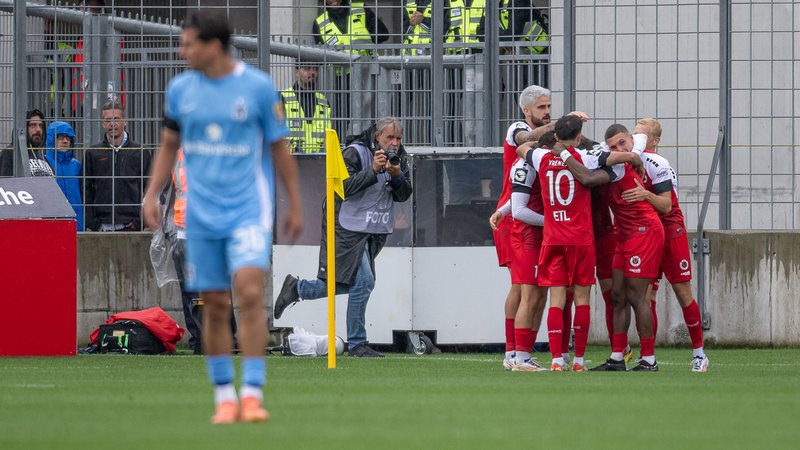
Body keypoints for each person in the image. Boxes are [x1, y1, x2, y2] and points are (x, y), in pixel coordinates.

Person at [141, 10, 303, 424]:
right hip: (201, 215)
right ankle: (223, 395)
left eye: (188, 43)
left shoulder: (258, 88)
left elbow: (279, 149)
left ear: (212, 47)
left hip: (249, 210)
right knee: (213, 304)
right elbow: (167, 145)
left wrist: (296, 204)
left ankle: (251, 391)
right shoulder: (180, 90)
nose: (182, 51)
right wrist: (151, 194)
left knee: (248, 293)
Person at [273, 117, 413, 358]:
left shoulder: (399, 157)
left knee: (349, 283)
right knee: (365, 281)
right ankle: (357, 344)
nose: (394, 143)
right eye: (390, 137)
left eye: (398, 138)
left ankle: (298, 288)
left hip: (372, 229)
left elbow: (404, 195)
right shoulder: (354, 153)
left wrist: (398, 175)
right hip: (345, 226)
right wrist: (373, 171)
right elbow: (343, 188)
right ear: (377, 136)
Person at [541, 125, 661, 371]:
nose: (618, 149)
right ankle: (618, 357)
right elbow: (598, 148)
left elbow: (586, 178)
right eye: (612, 146)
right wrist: (570, 131)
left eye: (622, 144)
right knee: (617, 296)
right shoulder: (603, 156)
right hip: (623, 235)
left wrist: (562, 151)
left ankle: (648, 359)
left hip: (644, 231)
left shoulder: (615, 168)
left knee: (637, 297)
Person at [623, 118, 709, 372]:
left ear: (655, 141)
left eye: (642, 136)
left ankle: (699, 354)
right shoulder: (628, 160)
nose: (636, 140)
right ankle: (647, 356)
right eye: (634, 135)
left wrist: (645, 195)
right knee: (644, 294)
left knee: (683, 293)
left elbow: (666, 206)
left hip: (670, 231)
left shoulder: (657, 163)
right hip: (646, 233)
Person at [313, 0, 388, 136]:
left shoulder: (361, 9)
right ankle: (340, 148)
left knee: (371, 115)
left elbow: (383, 34)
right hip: (342, 77)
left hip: (369, 72)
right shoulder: (320, 23)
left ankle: (370, 148)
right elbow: (320, 57)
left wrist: (364, 44)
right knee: (341, 118)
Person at [84, 101, 151, 231]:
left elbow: (148, 187)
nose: (112, 124)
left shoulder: (140, 152)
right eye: (108, 120)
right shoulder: (93, 153)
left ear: (125, 121)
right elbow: (85, 189)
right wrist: (93, 223)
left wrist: (139, 222)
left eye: (117, 119)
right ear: (103, 123)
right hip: (101, 227)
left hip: (132, 226)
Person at [280, 61, 332, 154]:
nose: (312, 73)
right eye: (307, 68)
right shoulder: (283, 98)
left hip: (319, 160)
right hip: (292, 160)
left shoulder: (324, 102)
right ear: (296, 72)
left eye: (315, 69)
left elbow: (330, 136)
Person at [44, 121, 84, 231]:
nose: (65, 141)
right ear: (52, 139)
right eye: (61, 137)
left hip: (77, 223)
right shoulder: (43, 162)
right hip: (52, 223)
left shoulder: (77, 165)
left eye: (68, 138)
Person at [0, 108, 54, 177]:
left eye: (41, 126)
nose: (38, 129)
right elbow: (5, 184)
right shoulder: (10, 153)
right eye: (33, 125)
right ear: (23, 128)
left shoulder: (42, 157)